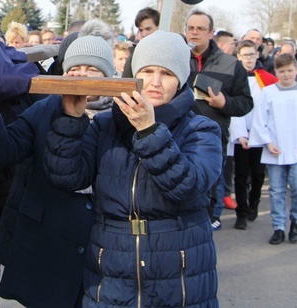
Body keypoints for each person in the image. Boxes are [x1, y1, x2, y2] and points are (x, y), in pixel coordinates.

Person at [44, 30, 222, 307]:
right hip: (112, 262)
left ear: (181, 80)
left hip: (178, 265)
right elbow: (66, 176)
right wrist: (71, 118)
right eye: (147, 71)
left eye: (167, 73)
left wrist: (149, 131)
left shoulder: (201, 129)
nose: (155, 82)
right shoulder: (105, 125)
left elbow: (190, 190)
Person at [0, 36, 117, 308]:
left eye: (91, 69)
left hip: (102, 248)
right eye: (74, 69)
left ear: (109, 74)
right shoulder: (46, 107)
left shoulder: (124, 116)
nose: (80, 76)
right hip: (49, 242)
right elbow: (4, 152)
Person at [184, 10, 253, 230]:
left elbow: (246, 103)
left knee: (209, 190)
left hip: (211, 138)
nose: (194, 33)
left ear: (211, 33)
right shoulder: (174, 57)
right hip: (177, 135)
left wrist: (224, 104)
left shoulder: (231, 65)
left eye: (200, 29)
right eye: (191, 28)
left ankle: (205, 231)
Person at [249, 53, 297, 244]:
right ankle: (279, 227)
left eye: (290, 71)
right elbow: (259, 121)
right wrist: (267, 142)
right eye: (282, 71)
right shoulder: (268, 92)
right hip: (275, 149)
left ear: (296, 70)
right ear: (276, 72)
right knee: (277, 190)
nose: (286, 75)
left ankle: (296, 220)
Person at [228, 40, 278, 230]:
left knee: (258, 175)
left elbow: (270, 110)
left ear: (257, 55)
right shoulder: (234, 78)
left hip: (261, 135)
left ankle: (253, 204)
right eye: (244, 55)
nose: (249, 58)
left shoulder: (267, 79)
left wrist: (261, 134)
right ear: (238, 57)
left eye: (252, 54)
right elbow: (233, 106)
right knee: (240, 176)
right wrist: (240, 134)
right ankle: (241, 212)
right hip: (242, 135)